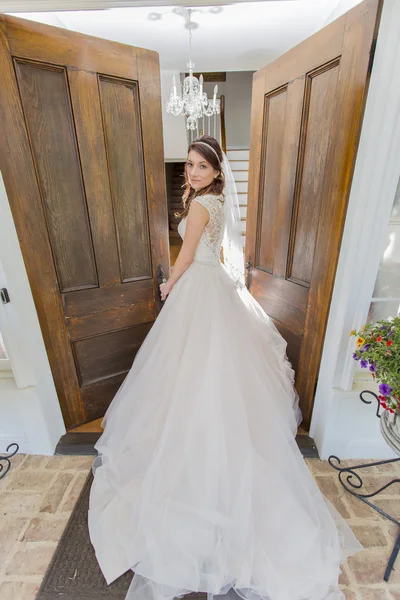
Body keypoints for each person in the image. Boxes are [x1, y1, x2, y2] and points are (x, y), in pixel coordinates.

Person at [88, 135, 363, 600]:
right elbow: (210, 252)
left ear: (217, 172)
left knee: (189, 373)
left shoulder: (199, 208)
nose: (192, 173)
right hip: (214, 285)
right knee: (208, 376)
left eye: (201, 167)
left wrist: (168, 287)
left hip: (198, 287)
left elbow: (187, 253)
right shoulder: (213, 202)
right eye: (190, 166)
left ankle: (192, 455)